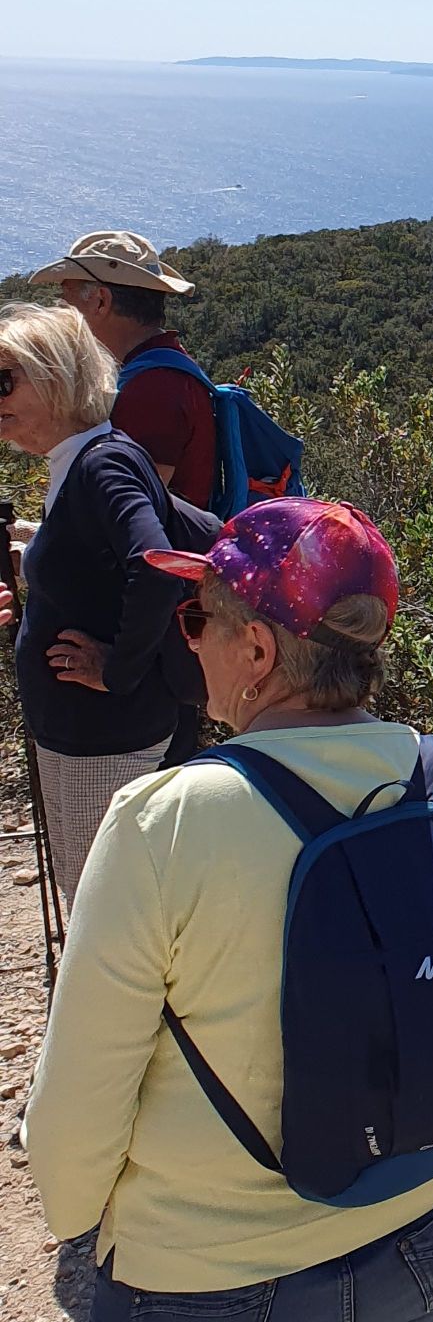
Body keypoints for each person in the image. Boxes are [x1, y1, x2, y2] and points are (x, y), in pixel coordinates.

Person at [23, 495, 433, 1322]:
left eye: (197, 619)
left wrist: (83, 1218)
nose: (188, 641)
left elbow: (74, 1124)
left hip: (206, 1280)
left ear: (258, 651)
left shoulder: (163, 822)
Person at [0, 302, 201, 904]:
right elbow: (101, 563)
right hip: (82, 731)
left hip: (105, 737)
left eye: (5, 381)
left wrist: (118, 671)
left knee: (105, 903)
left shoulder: (102, 463)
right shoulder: (81, 460)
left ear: (57, 377)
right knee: (96, 890)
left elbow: (156, 565)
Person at [29, 229, 217, 506]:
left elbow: (125, 511)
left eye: (67, 298)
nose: (61, 311)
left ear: (100, 301)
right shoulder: (160, 368)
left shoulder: (152, 389)